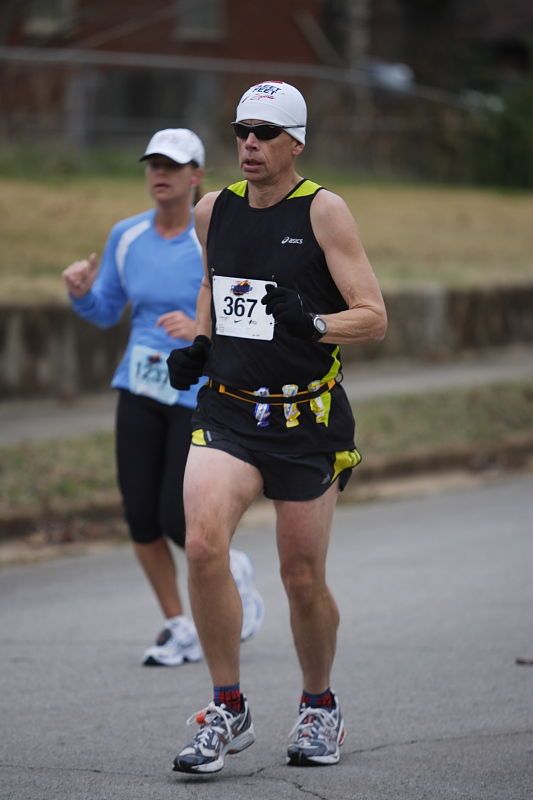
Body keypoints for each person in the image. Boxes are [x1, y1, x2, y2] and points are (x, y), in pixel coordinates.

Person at [166, 82, 387, 773]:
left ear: (296, 143)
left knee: (300, 577)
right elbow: (215, 283)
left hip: (305, 418)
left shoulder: (324, 211)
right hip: (229, 408)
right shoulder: (212, 209)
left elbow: (372, 316)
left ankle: (319, 705)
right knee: (202, 545)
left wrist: (313, 323)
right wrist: (201, 342)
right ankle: (226, 706)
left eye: (265, 132)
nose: (250, 143)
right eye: (242, 130)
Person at [61, 128, 264, 668]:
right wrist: (81, 294)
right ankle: (180, 624)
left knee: (178, 518)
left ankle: (232, 572)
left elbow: (245, 314)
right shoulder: (126, 236)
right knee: (140, 517)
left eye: (172, 166)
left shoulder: (212, 235)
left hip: (197, 392)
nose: (160, 174)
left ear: (196, 175)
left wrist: (196, 331)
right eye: (153, 164)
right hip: (139, 385)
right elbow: (108, 310)